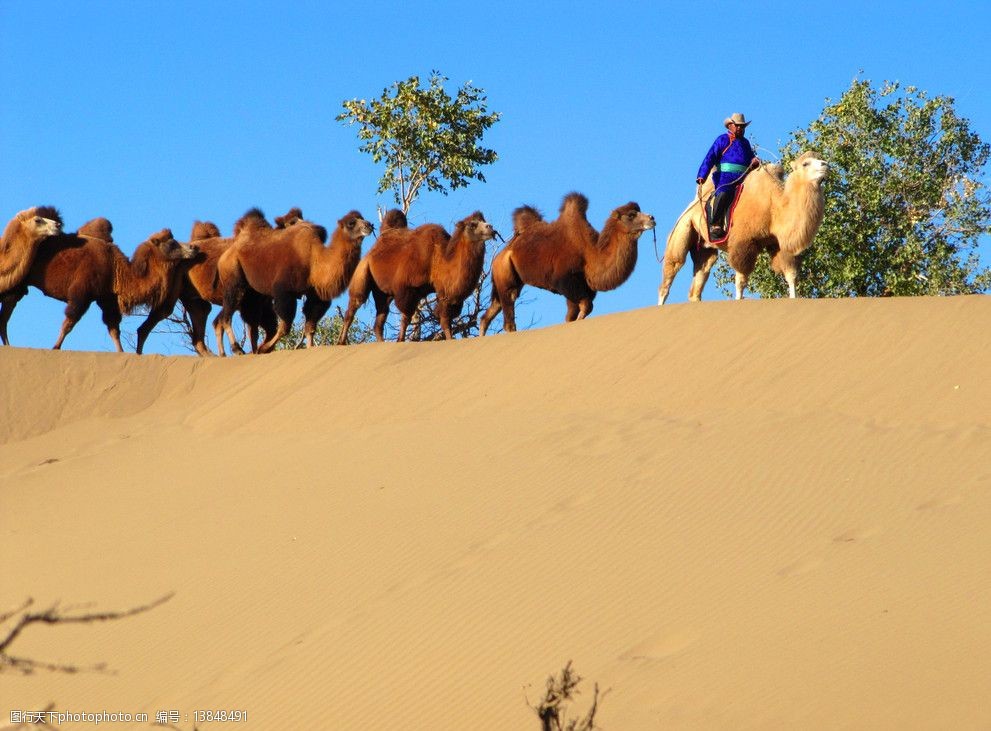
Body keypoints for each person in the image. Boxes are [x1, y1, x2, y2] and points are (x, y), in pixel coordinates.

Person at [696, 112, 760, 239]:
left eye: (742, 127)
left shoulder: (745, 143)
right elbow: (710, 157)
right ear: (730, 125)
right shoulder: (722, 139)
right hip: (725, 177)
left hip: (744, 177)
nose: (740, 129)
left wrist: (755, 162)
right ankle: (716, 225)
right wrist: (702, 175)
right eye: (738, 126)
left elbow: (751, 158)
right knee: (724, 192)